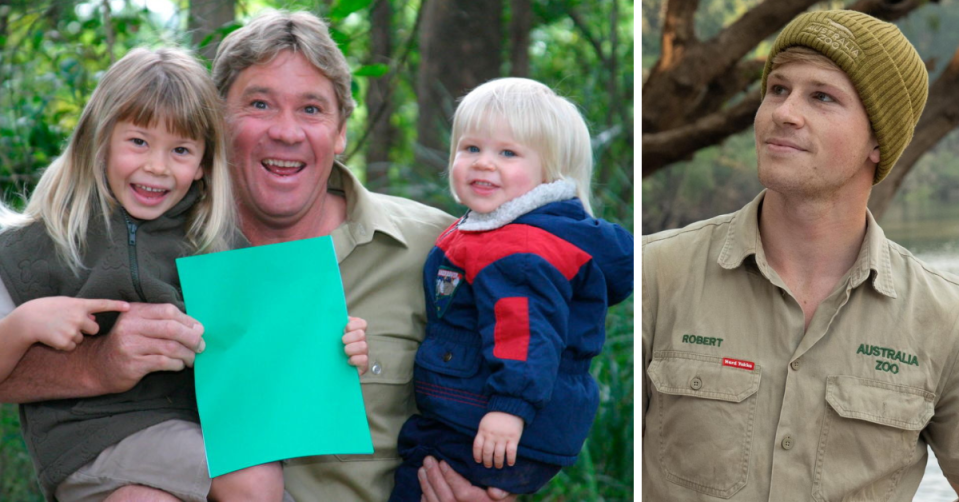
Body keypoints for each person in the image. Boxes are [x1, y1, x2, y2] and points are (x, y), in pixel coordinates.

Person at [0, 47, 368, 501]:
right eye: (138, 142)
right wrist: (23, 323)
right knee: (254, 483)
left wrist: (337, 342)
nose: (157, 166)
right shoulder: (38, 244)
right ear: (100, 139)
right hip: (87, 441)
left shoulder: (210, 240)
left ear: (201, 165)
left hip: (179, 431)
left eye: (180, 150)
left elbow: (274, 345)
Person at [642, 9, 959, 501]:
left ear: (879, 138)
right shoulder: (655, 275)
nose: (784, 113)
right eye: (777, 89)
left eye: (822, 97)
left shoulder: (945, 319)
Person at [213, 10, 517, 502]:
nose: (287, 132)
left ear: (340, 132)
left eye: (311, 109)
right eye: (261, 104)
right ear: (217, 119)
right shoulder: (161, 245)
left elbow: (535, 364)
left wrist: (502, 485)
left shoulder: (439, 248)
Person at [387, 78, 633, 500]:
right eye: (471, 149)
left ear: (548, 173)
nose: (484, 163)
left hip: (494, 423)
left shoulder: (518, 249)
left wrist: (509, 409)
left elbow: (526, 332)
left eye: (507, 153)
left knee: (416, 485)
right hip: (476, 416)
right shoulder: (497, 230)